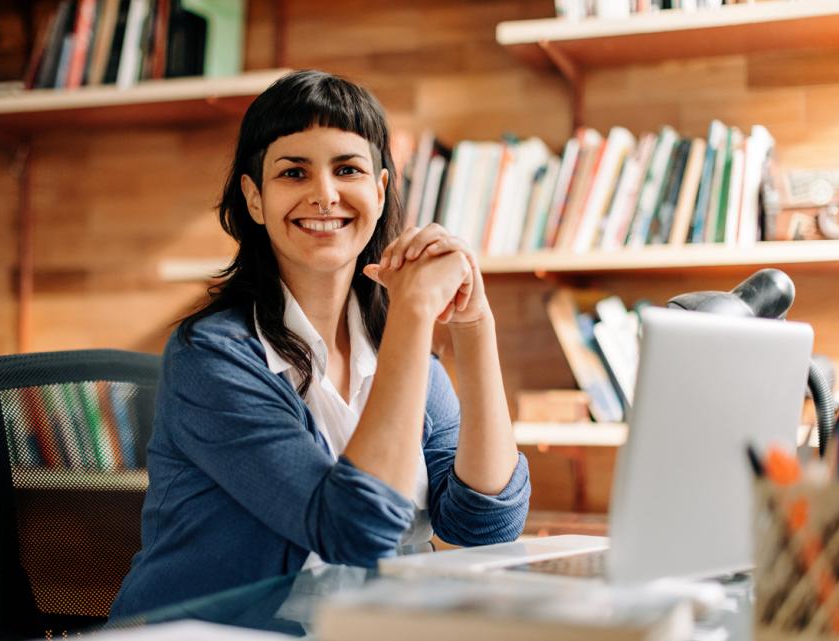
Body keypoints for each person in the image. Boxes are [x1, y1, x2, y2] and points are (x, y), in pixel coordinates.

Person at [110, 70, 531, 619]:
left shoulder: (397, 352)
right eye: (294, 172)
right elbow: (353, 528)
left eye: (348, 169)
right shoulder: (212, 357)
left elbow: (485, 525)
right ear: (255, 198)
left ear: (379, 192)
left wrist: (475, 327)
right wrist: (414, 312)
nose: (325, 195)